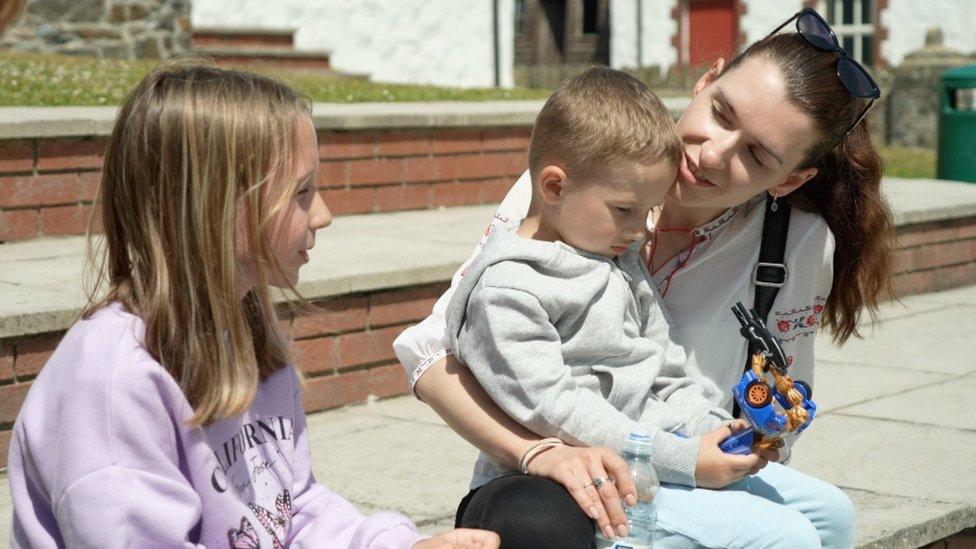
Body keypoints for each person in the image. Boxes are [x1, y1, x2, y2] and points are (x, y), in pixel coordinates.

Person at [396, 9, 888, 548]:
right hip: (579, 469)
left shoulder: (797, 243)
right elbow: (435, 352)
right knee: (784, 537)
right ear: (704, 82)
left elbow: (722, 380)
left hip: (675, 452)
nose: (712, 152)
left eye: (756, 154)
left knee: (833, 518)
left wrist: (754, 432)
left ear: (790, 180)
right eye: (721, 113)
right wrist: (539, 452)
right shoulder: (583, 176)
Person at [7, 61, 499, 549]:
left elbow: (293, 506)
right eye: (301, 193)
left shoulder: (247, 332)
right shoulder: (115, 383)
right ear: (215, 208)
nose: (323, 214)